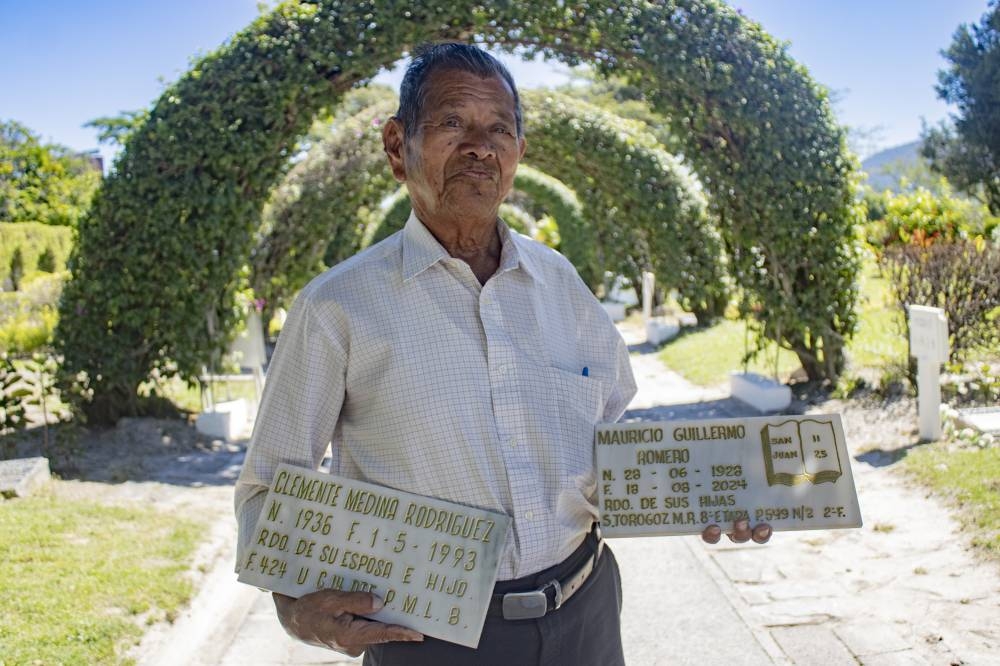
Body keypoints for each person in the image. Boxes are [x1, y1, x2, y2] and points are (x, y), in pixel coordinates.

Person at [234, 42, 771, 665]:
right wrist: (293, 609)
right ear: (395, 147)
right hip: (431, 640)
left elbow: (605, 438)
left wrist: (714, 492)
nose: (480, 147)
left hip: (586, 612)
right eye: (452, 123)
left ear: (517, 152)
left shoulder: (559, 282)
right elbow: (268, 488)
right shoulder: (337, 307)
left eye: (499, 129)